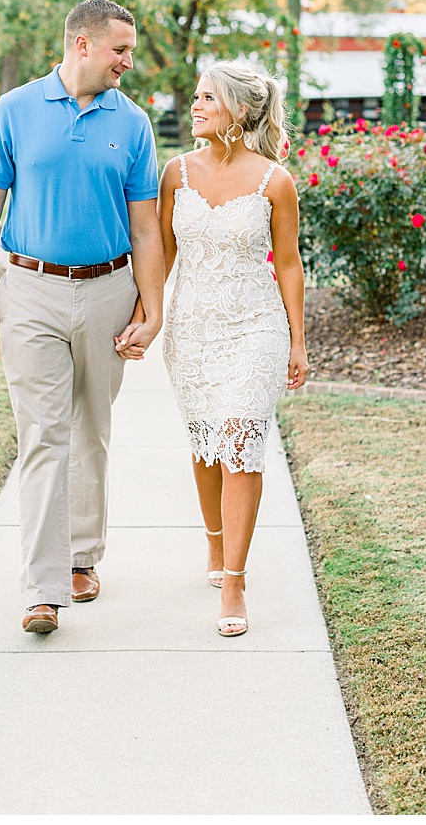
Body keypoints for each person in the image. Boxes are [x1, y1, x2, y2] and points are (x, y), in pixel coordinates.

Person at [0, 0, 166, 634]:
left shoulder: (132, 124)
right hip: (30, 290)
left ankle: (81, 556)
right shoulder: (15, 109)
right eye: (120, 50)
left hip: (108, 290)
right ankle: (42, 589)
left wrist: (151, 311)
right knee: (43, 434)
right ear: (82, 44)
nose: (128, 61)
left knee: (90, 428)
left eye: (129, 51)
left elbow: (147, 227)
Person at [158, 61, 309, 637]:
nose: (194, 107)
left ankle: (236, 582)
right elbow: (163, 254)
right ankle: (216, 545)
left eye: (207, 99)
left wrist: (297, 339)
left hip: (256, 328)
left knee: (241, 440)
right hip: (192, 331)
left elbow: (289, 264)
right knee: (206, 445)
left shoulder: (275, 180)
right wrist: (147, 316)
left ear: (240, 111)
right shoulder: (176, 173)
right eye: (195, 98)